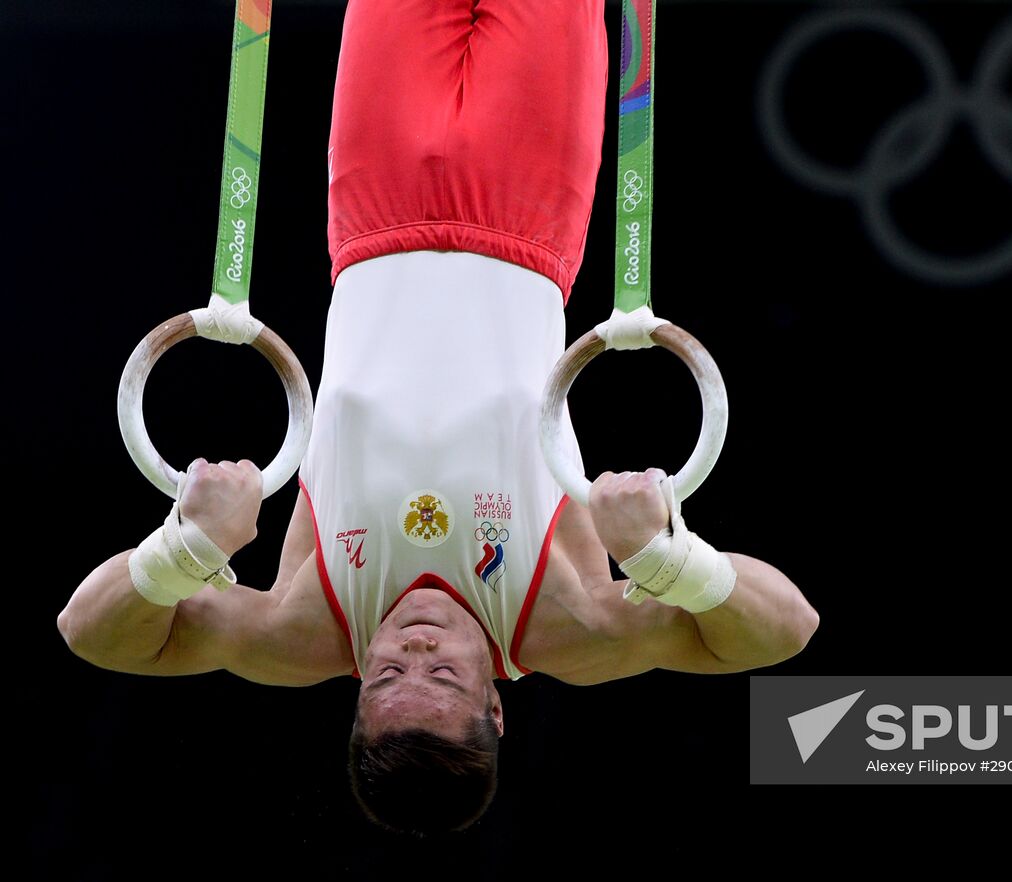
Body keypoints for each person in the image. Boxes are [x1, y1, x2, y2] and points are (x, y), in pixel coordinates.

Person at [57, 0, 818, 838]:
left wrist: (187, 550)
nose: (412, 645)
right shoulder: (567, 624)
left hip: (371, 210)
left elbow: (91, 636)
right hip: (526, 204)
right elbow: (785, 631)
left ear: (355, 700)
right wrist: (667, 558)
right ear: (495, 707)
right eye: (446, 676)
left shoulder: (306, 628)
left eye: (385, 676)